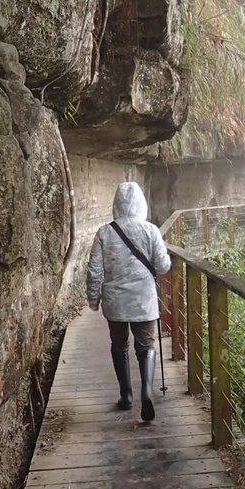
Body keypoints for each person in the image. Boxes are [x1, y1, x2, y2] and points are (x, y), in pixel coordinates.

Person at [86, 181, 171, 422]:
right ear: (141, 203)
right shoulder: (151, 230)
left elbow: (94, 271)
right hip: (144, 301)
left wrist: (93, 299)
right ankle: (147, 389)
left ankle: (127, 395)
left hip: (115, 303)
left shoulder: (104, 232)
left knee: (119, 345)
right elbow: (163, 266)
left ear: (116, 204)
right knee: (146, 346)